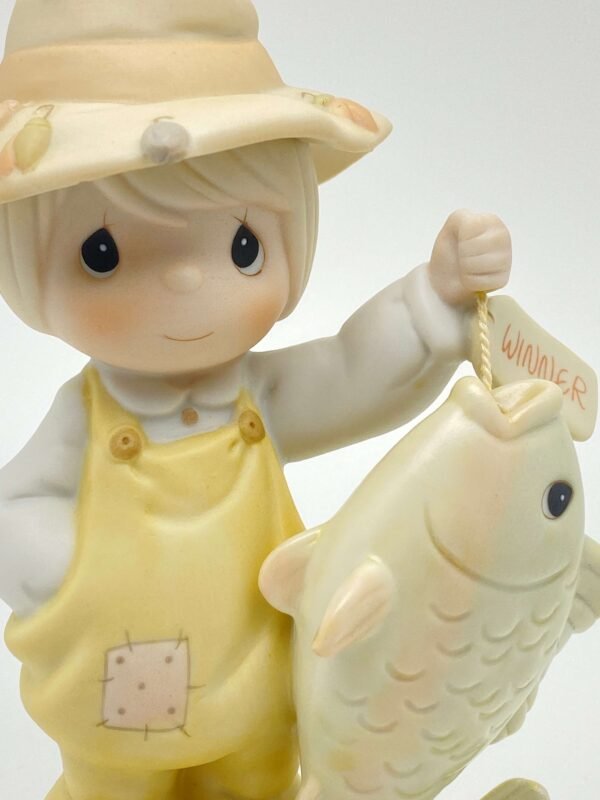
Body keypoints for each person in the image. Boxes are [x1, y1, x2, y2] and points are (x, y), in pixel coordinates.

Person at [0, 1, 511, 798]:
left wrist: (435, 298)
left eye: (243, 247)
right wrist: (67, 568)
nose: (184, 281)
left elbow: (351, 371)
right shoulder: (87, 418)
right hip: (115, 695)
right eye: (103, 254)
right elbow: (16, 504)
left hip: (257, 684)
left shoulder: (258, 394)